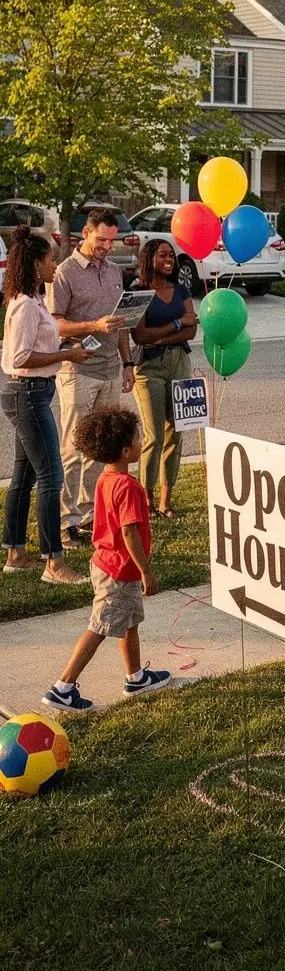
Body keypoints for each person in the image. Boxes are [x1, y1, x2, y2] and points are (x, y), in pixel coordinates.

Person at [41, 407, 171, 712]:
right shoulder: (128, 487)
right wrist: (146, 572)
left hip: (105, 563)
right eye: (138, 438)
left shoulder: (106, 478)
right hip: (119, 571)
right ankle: (63, 686)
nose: (142, 441)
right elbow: (129, 533)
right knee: (99, 627)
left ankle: (136, 677)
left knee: (129, 622)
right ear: (126, 450)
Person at [1, 227, 90, 584]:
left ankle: (16, 552)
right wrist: (67, 354)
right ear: (36, 265)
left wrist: (66, 341)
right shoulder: (24, 305)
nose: (55, 263)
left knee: (23, 476)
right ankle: (54, 562)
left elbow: (37, 343)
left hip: (31, 392)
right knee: (51, 476)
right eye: (50, 258)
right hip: (26, 392)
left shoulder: (34, 301)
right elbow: (20, 356)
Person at [48, 207, 135, 546]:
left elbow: (122, 322)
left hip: (111, 369)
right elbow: (54, 324)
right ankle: (65, 523)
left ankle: (89, 515)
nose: (106, 247)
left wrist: (127, 364)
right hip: (78, 370)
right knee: (73, 448)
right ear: (86, 233)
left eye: (111, 241)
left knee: (102, 448)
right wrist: (92, 326)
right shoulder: (64, 272)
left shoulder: (114, 271)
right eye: (101, 240)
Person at [131, 239, 197, 518]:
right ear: (150, 259)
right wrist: (177, 324)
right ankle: (147, 502)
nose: (169, 259)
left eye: (171, 255)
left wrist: (162, 335)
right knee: (154, 436)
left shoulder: (181, 289)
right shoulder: (138, 291)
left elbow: (192, 330)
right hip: (149, 368)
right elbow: (139, 336)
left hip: (179, 362)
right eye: (163, 255)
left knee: (176, 433)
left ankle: (165, 502)